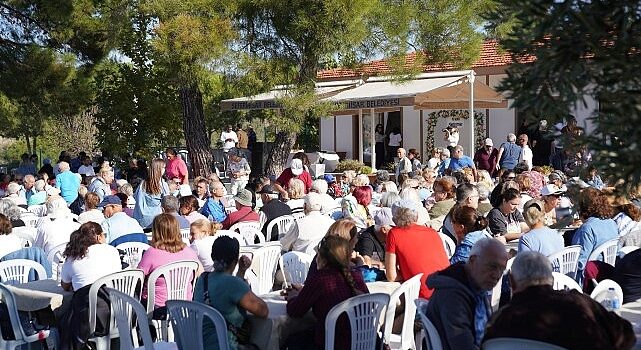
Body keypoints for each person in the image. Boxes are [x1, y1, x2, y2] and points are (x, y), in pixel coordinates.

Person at [484, 251, 635, 350]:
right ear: (551, 278)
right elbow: (626, 335)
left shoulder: (498, 321)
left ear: (512, 281)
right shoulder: (580, 304)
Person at [286, 235, 369, 350]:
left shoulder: (320, 279)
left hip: (332, 344)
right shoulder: (355, 276)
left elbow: (295, 311)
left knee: (290, 341)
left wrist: (292, 297)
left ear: (322, 259)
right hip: (364, 343)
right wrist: (303, 292)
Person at [427, 238, 508, 350]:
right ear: (473, 260)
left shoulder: (474, 284)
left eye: (502, 269)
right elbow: (462, 345)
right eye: (492, 266)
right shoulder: (453, 296)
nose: (497, 275)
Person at [193, 236, 268, 350]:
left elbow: (229, 293)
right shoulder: (233, 284)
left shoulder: (203, 279)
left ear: (213, 257)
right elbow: (263, 311)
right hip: (226, 346)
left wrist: (241, 272)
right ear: (235, 260)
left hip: (200, 345)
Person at [59, 222, 122, 349]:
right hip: (119, 312)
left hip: (90, 319)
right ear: (99, 237)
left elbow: (65, 286)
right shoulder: (112, 250)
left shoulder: (73, 257)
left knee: (63, 318)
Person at [138, 214, 201, 314]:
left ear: (156, 231)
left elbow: (139, 277)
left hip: (157, 307)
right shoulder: (190, 252)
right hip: (185, 304)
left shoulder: (152, 253)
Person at [386, 200, 449, 298]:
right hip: (448, 290)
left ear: (394, 218)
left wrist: (407, 274)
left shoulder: (394, 233)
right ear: (416, 216)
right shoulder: (433, 232)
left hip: (423, 297)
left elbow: (391, 276)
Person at [572, 187, 619, 285]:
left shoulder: (587, 229)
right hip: (608, 273)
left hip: (589, 280)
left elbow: (579, 263)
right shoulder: (612, 223)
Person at [133, 159, 170, 229]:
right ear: (158, 169)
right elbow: (167, 203)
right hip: (156, 220)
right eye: (163, 167)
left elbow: (136, 197)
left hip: (141, 219)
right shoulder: (162, 184)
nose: (164, 170)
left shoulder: (143, 183)